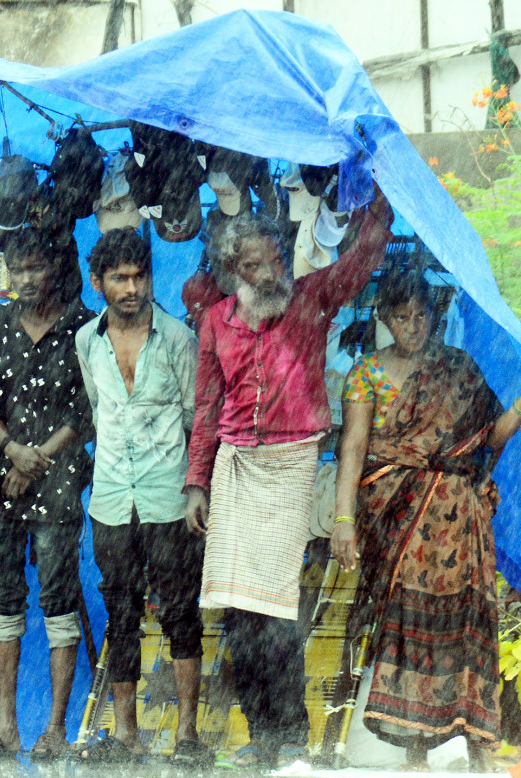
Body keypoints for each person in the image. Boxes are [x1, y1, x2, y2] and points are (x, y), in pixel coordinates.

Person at [185, 188, 393, 769]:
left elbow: (363, 255)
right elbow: (206, 408)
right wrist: (197, 484)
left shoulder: (311, 300)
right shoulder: (214, 321)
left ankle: (290, 737)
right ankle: (259, 734)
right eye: (256, 264)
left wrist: (370, 193)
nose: (273, 270)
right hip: (235, 469)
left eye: (277, 258)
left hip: (290, 465)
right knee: (236, 613)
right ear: (233, 271)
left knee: (276, 613)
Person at [329, 271, 521, 771]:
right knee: (409, 625)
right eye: (401, 317)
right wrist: (344, 519)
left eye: (421, 315)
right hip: (395, 517)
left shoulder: (458, 368)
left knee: (464, 626)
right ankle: (414, 749)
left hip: (460, 524)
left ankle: (477, 744)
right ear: (384, 318)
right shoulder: (367, 373)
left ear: (434, 317)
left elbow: (490, 437)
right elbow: (353, 447)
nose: (412, 326)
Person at [74, 229, 207, 764]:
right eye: (120, 278)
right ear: (98, 282)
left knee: (181, 611)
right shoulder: (88, 341)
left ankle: (187, 734)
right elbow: (96, 409)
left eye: (140, 276)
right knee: (120, 612)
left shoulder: (177, 339)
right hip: (109, 499)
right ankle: (127, 736)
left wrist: (197, 486)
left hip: (168, 496)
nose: (132, 288)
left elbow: (199, 419)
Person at [0, 228, 94, 759]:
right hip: (3, 482)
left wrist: (36, 457)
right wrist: (11, 448)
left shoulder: (84, 328)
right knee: (4, 601)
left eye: (35, 269)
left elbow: (85, 412)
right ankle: (8, 728)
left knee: (60, 603)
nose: (24, 280)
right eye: (16, 271)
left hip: (58, 483)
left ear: (57, 269)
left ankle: (56, 732)